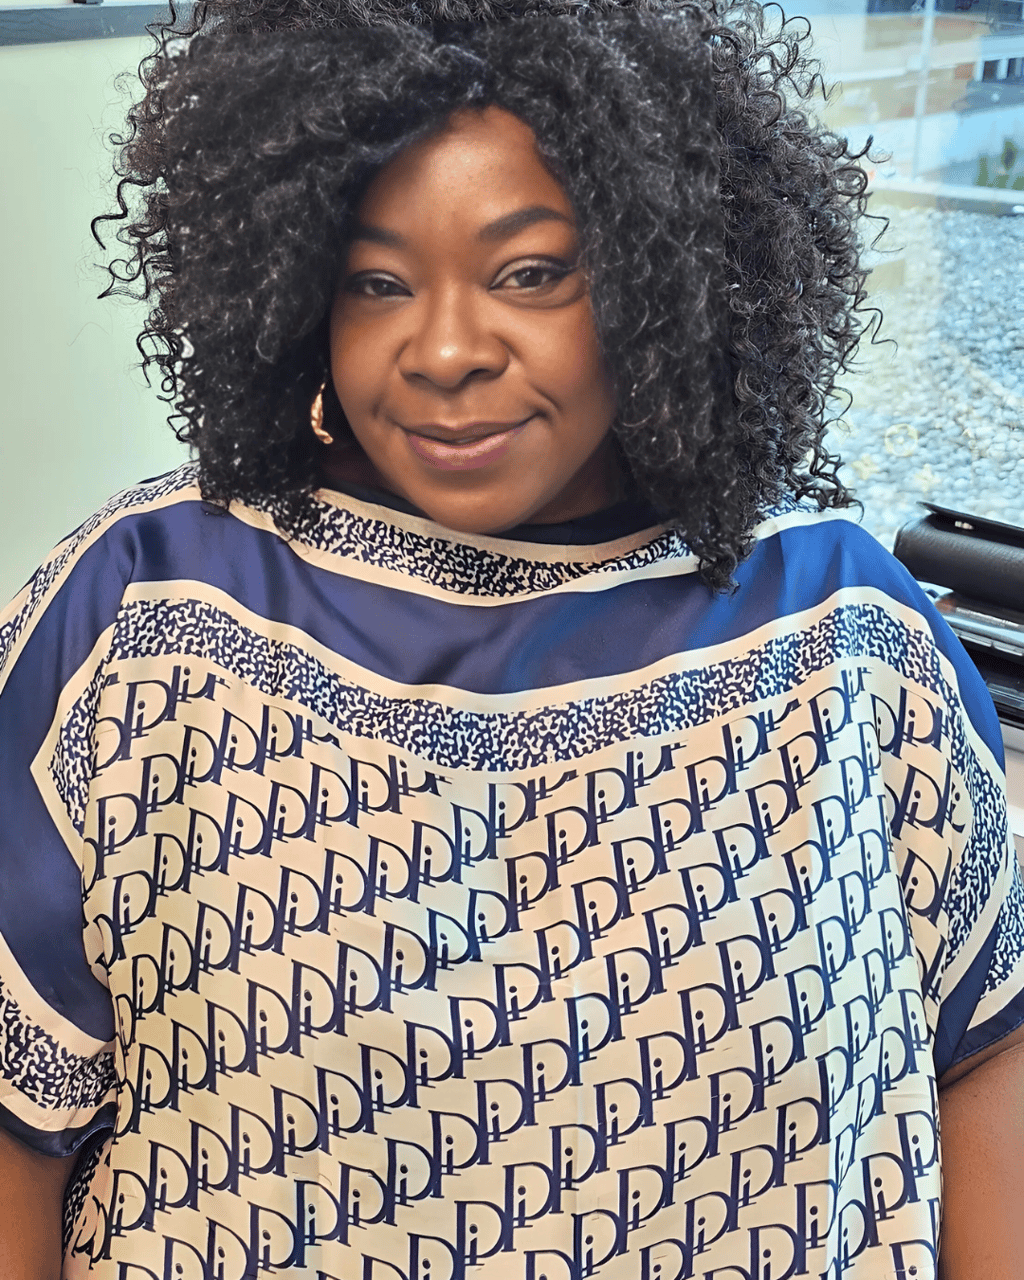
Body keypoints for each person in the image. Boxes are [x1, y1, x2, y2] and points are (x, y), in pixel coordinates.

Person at [0, 0, 1021, 1276]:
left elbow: (980, 1050)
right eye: (377, 283)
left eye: (530, 272)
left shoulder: (843, 630)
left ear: (663, 278)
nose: (441, 351)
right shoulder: (148, 610)